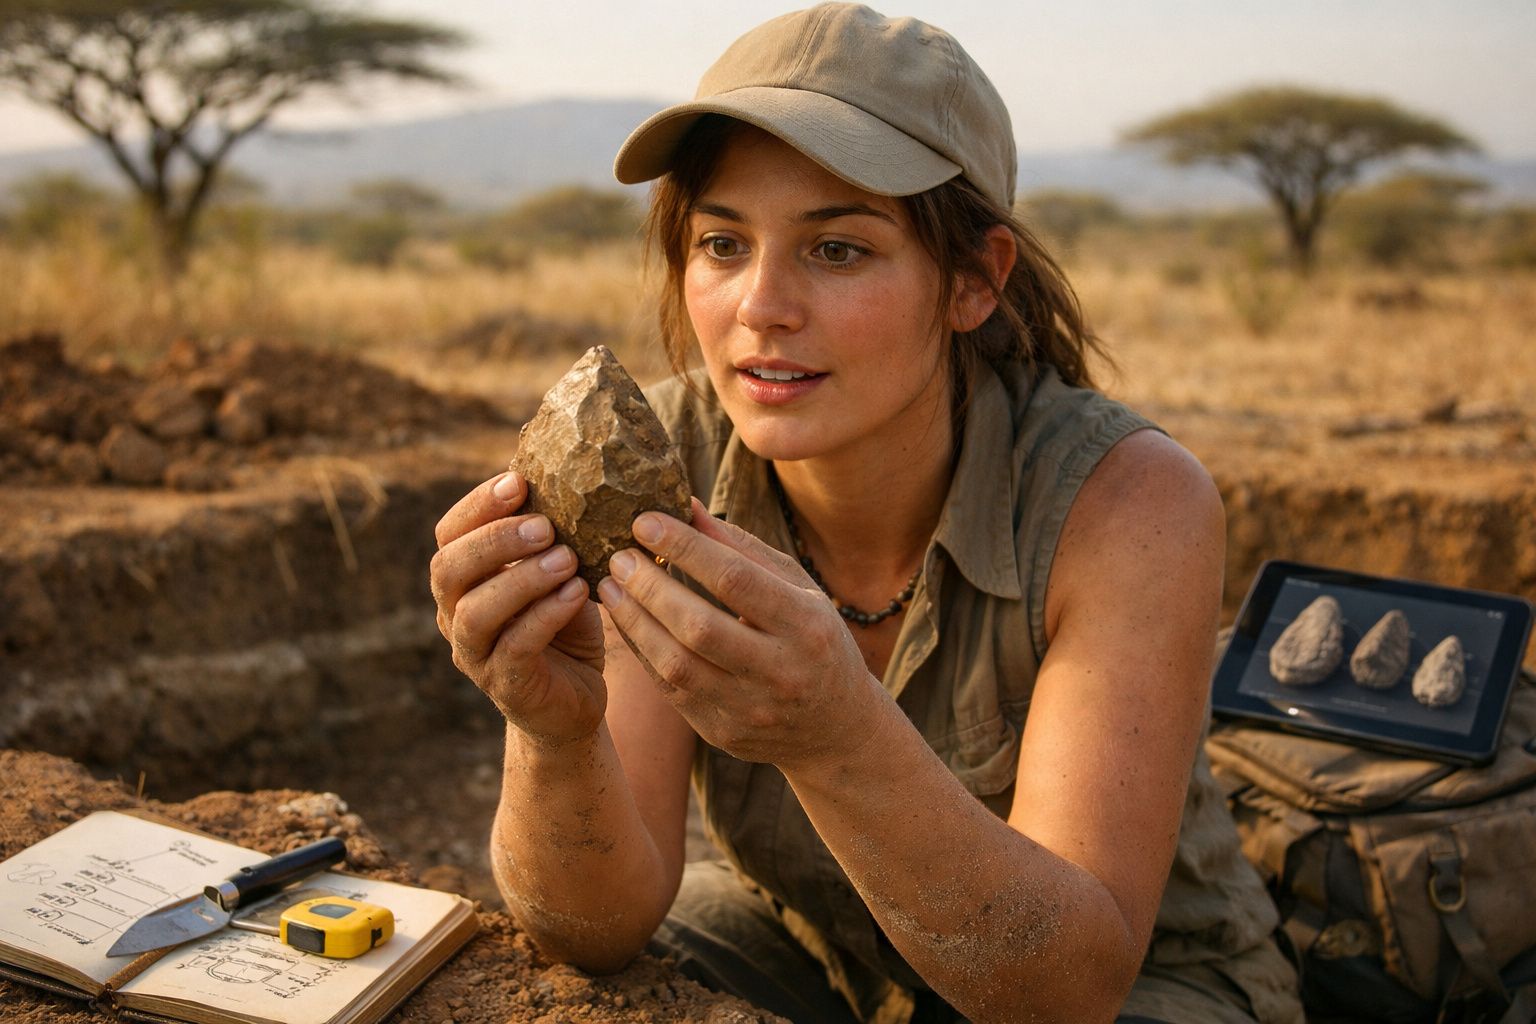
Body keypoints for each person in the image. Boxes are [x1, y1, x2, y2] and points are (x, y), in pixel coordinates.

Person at [429, 5, 1304, 1022]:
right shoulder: (655, 460)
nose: (761, 305)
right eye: (721, 242)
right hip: (819, 944)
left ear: (976, 279)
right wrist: (553, 733)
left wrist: (835, 734)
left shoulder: (1128, 500)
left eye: (837, 250)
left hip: (1145, 986)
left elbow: (1065, 989)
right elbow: (597, 926)